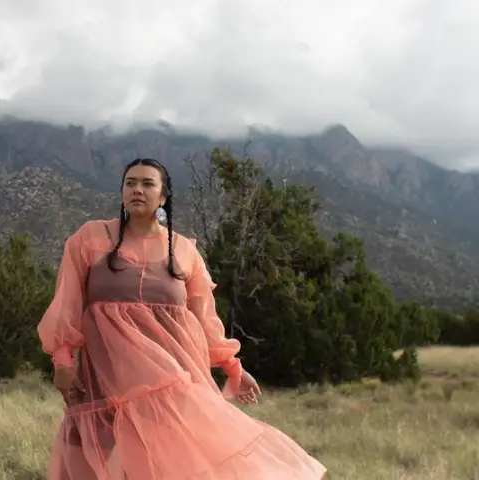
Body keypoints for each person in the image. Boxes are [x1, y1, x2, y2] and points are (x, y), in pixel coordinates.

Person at [37, 158, 328, 479]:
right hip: (106, 370)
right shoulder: (91, 238)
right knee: (102, 453)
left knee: (169, 458)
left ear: (163, 197)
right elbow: (66, 303)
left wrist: (234, 368)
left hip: (173, 371)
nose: (137, 189)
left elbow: (205, 320)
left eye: (148, 184)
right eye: (130, 182)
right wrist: (63, 363)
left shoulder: (185, 250)